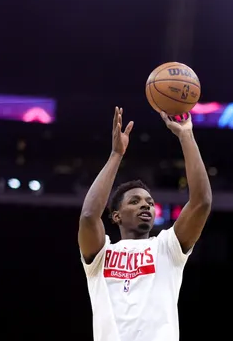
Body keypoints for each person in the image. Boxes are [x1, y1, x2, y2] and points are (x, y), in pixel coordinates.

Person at [78, 107, 212, 341]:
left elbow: (201, 202)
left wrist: (185, 134)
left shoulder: (167, 247)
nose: (146, 206)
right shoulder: (102, 254)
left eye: (149, 202)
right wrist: (116, 155)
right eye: (135, 201)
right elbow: (89, 215)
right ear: (117, 215)